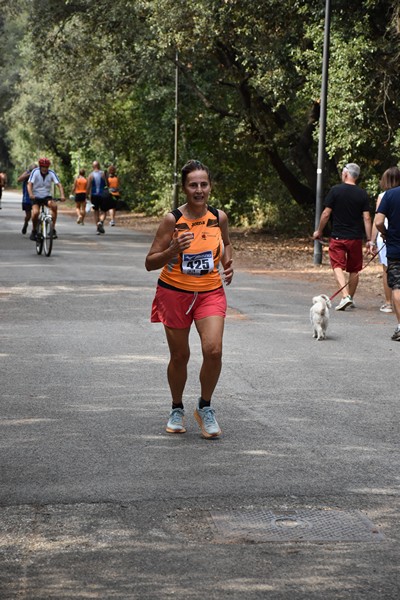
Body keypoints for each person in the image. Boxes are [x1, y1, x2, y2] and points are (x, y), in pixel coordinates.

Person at [145, 159, 234, 439]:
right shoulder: (173, 220)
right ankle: (176, 407)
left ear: (210, 187)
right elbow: (149, 262)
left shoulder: (219, 217)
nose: (199, 190)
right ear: (184, 188)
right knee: (180, 355)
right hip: (174, 294)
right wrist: (172, 250)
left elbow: (227, 244)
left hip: (210, 292)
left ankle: (205, 407)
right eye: (193, 185)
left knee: (214, 351)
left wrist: (228, 262)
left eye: (203, 184)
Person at [313, 162, 372, 310]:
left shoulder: (335, 190)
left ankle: (345, 296)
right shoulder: (362, 194)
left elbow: (326, 213)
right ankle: (349, 297)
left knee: (337, 265)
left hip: (338, 236)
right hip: (355, 238)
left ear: (345, 174)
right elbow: (367, 218)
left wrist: (319, 231)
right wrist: (370, 239)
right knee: (354, 269)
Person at [370, 167, 400, 313]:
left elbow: (378, 221)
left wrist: (377, 237)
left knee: (390, 273)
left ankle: (389, 304)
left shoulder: (386, 195)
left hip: (391, 240)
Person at [27, 158, 66, 240]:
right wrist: (31, 194)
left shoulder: (51, 173)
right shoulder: (35, 172)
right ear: (40, 166)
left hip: (46, 196)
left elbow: (59, 185)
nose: (44, 169)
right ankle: (34, 231)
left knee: (54, 206)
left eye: (46, 167)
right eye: (43, 167)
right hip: (36, 196)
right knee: (36, 212)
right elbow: (29, 184)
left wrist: (62, 195)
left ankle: (53, 229)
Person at [86, 161, 108, 234]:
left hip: (94, 195)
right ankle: (101, 222)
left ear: (93, 166)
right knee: (104, 211)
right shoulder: (103, 174)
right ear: (99, 166)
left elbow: (88, 187)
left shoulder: (90, 175)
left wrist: (86, 196)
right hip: (103, 195)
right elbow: (107, 184)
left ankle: (97, 228)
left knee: (96, 211)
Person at [17, 163, 37, 234]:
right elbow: (19, 179)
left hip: (36, 197)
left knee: (36, 214)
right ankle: (26, 223)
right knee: (28, 216)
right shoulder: (27, 173)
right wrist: (29, 174)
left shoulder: (39, 174)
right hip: (27, 197)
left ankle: (34, 230)